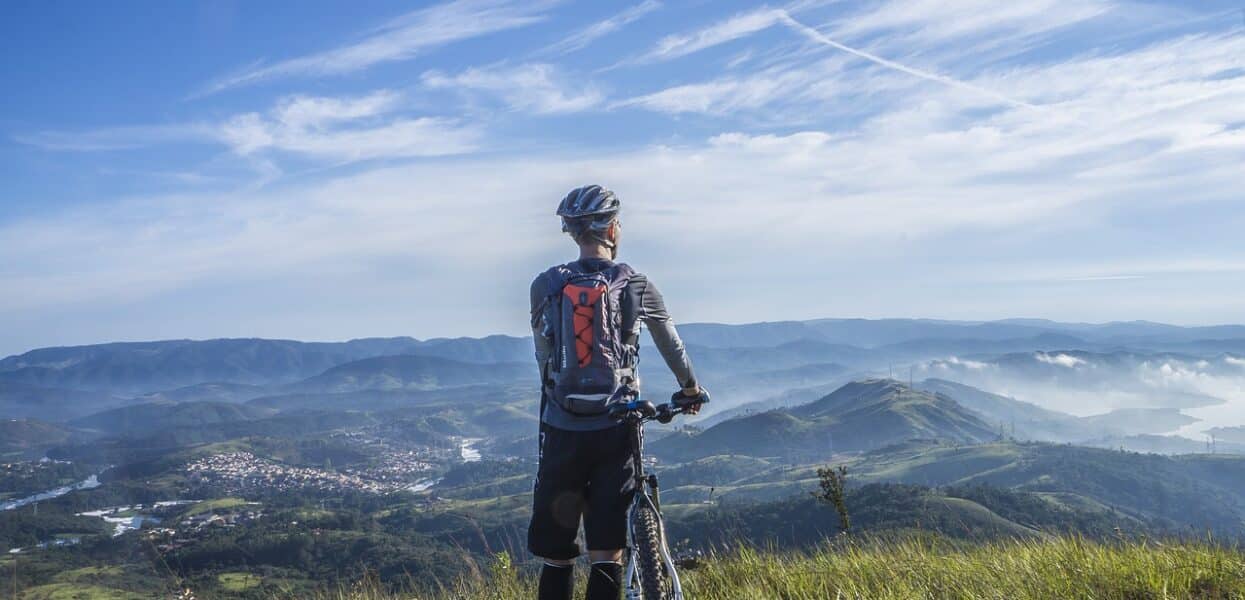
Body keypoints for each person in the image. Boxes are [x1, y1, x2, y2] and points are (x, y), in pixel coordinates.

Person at [528, 185, 708, 600]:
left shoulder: (545, 285)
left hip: (561, 429)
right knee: (607, 553)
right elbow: (671, 345)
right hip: (617, 429)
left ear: (574, 233)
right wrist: (690, 389)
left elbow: (544, 356)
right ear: (612, 228)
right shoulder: (635, 283)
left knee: (557, 556)